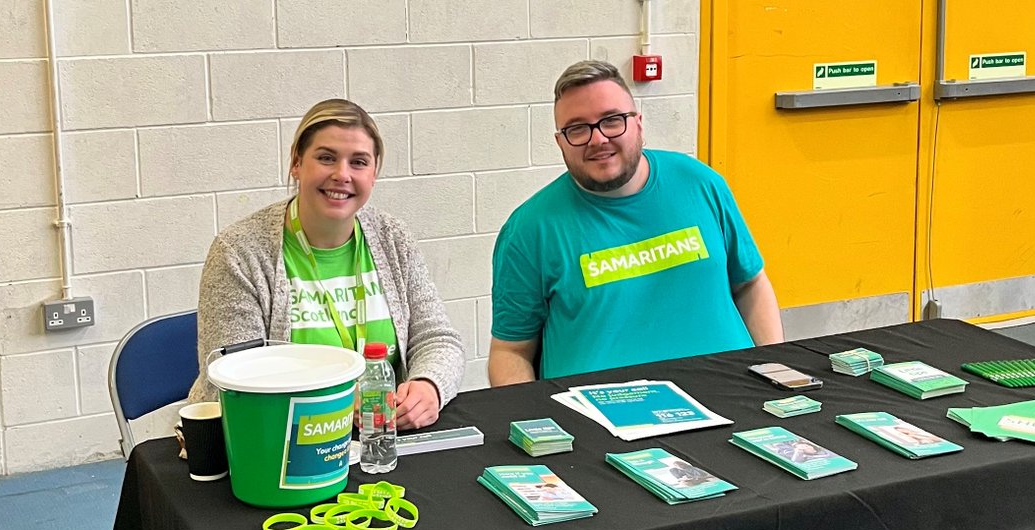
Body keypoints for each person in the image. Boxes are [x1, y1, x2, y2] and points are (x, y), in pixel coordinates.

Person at [489, 60, 782, 385]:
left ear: (638, 123)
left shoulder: (700, 183)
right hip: (599, 417)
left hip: (731, 392)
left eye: (611, 120)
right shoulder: (529, 229)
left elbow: (750, 284)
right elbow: (510, 351)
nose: (597, 139)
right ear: (560, 142)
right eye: (577, 129)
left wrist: (774, 373)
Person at [189, 99, 463, 429]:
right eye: (326, 158)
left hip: (381, 441)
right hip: (278, 444)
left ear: (373, 174)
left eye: (358, 162)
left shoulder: (393, 237)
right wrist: (338, 409)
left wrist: (429, 386)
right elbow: (233, 384)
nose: (341, 174)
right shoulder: (240, 251)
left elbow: (438, 339)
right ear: (296, 163)